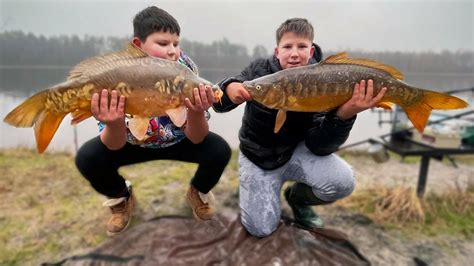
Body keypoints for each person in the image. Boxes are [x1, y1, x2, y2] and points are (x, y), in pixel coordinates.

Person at [213, 18, 386, 237]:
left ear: (311, 50)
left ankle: (296, 198)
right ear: (277, 51)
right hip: (257, 156)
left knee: (343, 182)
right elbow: (219, 102)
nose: (294, 53)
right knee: (260, 229)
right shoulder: (259, 71)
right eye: (287, 47)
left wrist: (345, 114)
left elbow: (320, 146)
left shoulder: (324, 80)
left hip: (297, 153)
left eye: (301, 46)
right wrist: (229, 88)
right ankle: (257, 186)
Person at [75, 6, 231, 236]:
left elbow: (197, 136)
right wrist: (114, 122)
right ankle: (121, 198)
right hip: (131, 143)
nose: (172, 51)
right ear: (138, 46)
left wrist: (197, 112)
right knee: (88, 158)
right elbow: (114, 144)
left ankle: (197, 193)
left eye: (176, 44)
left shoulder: (186, 70)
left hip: (178, 141)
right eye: (163, 43)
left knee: (219, 150)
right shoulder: (117, 75)